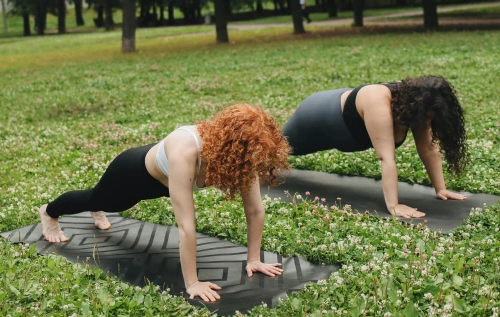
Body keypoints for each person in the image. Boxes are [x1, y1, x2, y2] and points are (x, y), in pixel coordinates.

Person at [39, 104, 290, 302]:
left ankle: (96, 208)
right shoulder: (185, 152)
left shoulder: (242, 158)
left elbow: (255, 210)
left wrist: (254, 259)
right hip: (131, 175)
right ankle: (49, 212)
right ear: (234, 147)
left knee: (106, 203)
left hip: (161, 178)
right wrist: (192, 283)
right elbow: (186, 227)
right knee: (101, 199)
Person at [282, 76, 468, 219]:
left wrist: (441, 189)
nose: (427, 122)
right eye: (426, 116)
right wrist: (394, 206)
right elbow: (386, 157)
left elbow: (428, 149)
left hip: (342, 132)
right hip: (317, 115)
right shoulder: (378, 99)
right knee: (278, 149)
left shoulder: (417, 107)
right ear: (417, 106)